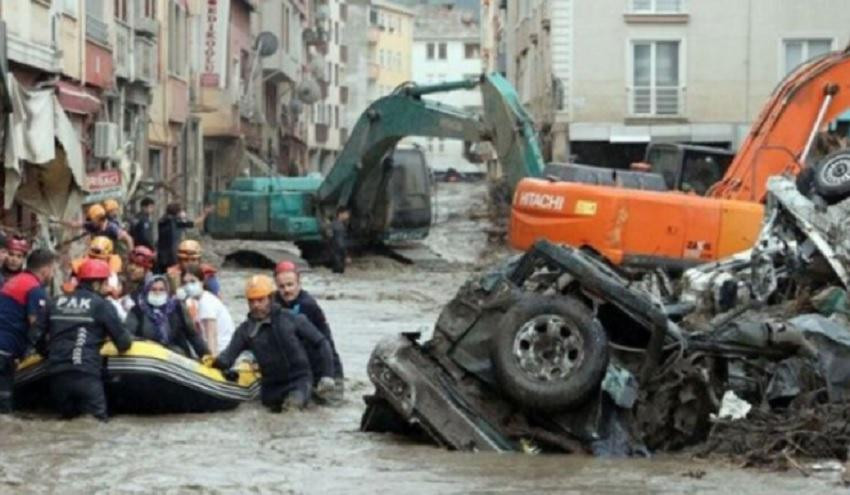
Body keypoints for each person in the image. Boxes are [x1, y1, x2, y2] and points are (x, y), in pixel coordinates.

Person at [210, 275, 336, 412]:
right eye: (251, 301)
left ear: (270, 298)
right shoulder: (245, 330)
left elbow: (322, 343)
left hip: (299, 382)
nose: (256, 305)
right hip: (270, 389)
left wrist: (327, 375)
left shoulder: (292, 319)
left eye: (260, 300)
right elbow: (227, 358)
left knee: (291, 409)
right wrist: (211, 363)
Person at [39, 258, 132, 421]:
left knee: (65, 425)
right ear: (96, 284)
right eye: (104, 283)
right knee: (95, 424)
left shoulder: (55, 302)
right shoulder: (101, 305)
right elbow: (123, 343)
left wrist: (48, 355)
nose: (107, 288)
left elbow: (36, 337)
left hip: (57, 376)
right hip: (86, 374)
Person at [0, 249, 56, 413]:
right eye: (52, 270)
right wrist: (47, 352)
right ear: (45, 269)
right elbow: (36, 325)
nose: (52, 275)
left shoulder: (15, 281)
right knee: (4, 406)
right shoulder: (34, 289)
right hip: (5, 352)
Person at [273, 261, 344, 386]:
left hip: (326, 370)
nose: (286, 290)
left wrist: (328, 376)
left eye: (290, 285)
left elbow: (324, 344)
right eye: (282, 287)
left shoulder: (308, 305)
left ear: (299, 283)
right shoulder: (275, 301)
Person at [125, 275, 210, 358]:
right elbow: (128, 334)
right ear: (147, 291)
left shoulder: (177, 308)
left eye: (161, 290)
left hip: (177, 357)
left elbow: (192, 335)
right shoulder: (137, 311)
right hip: (148, 357)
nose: (157, 293)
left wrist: (206, 355)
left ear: (167, 291)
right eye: (153, 289)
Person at [177, 263, 235, 354]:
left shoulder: (206, 303)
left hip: (221, 350)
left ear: (202, 282)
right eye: (185, 283)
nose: (189, 286)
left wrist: (212, 361)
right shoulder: (200, 300)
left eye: (193, 281)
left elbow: (212, 336)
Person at [156, 202, 211, 273]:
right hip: (173, 255)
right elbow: (195, 223)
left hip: (161, 255)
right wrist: (205, 213)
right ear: (177, 212)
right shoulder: (176, 221)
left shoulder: (162, 220)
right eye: (181, 211)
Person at [60, 204, 135, 250]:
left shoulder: (112, 228)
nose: (91, 222)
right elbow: (74, 224)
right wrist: (58, 221)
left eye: (93, 220)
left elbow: (129, 239)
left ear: (99, 219)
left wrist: (131, 254)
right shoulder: (93, 225)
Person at [124, 245, 156, 310]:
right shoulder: (139, 284)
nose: (132, 268)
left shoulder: (153, 288)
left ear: (147, 268)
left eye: (138, 265)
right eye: (131, 263)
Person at [329, 207, 349, 274]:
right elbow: (340, 243)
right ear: (340, 214)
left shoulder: (334, 224)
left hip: (333, 253)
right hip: (338, 256)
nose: (348, 215)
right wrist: (346, 256)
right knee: (339, 272)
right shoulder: (339, 226)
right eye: (346, 213)